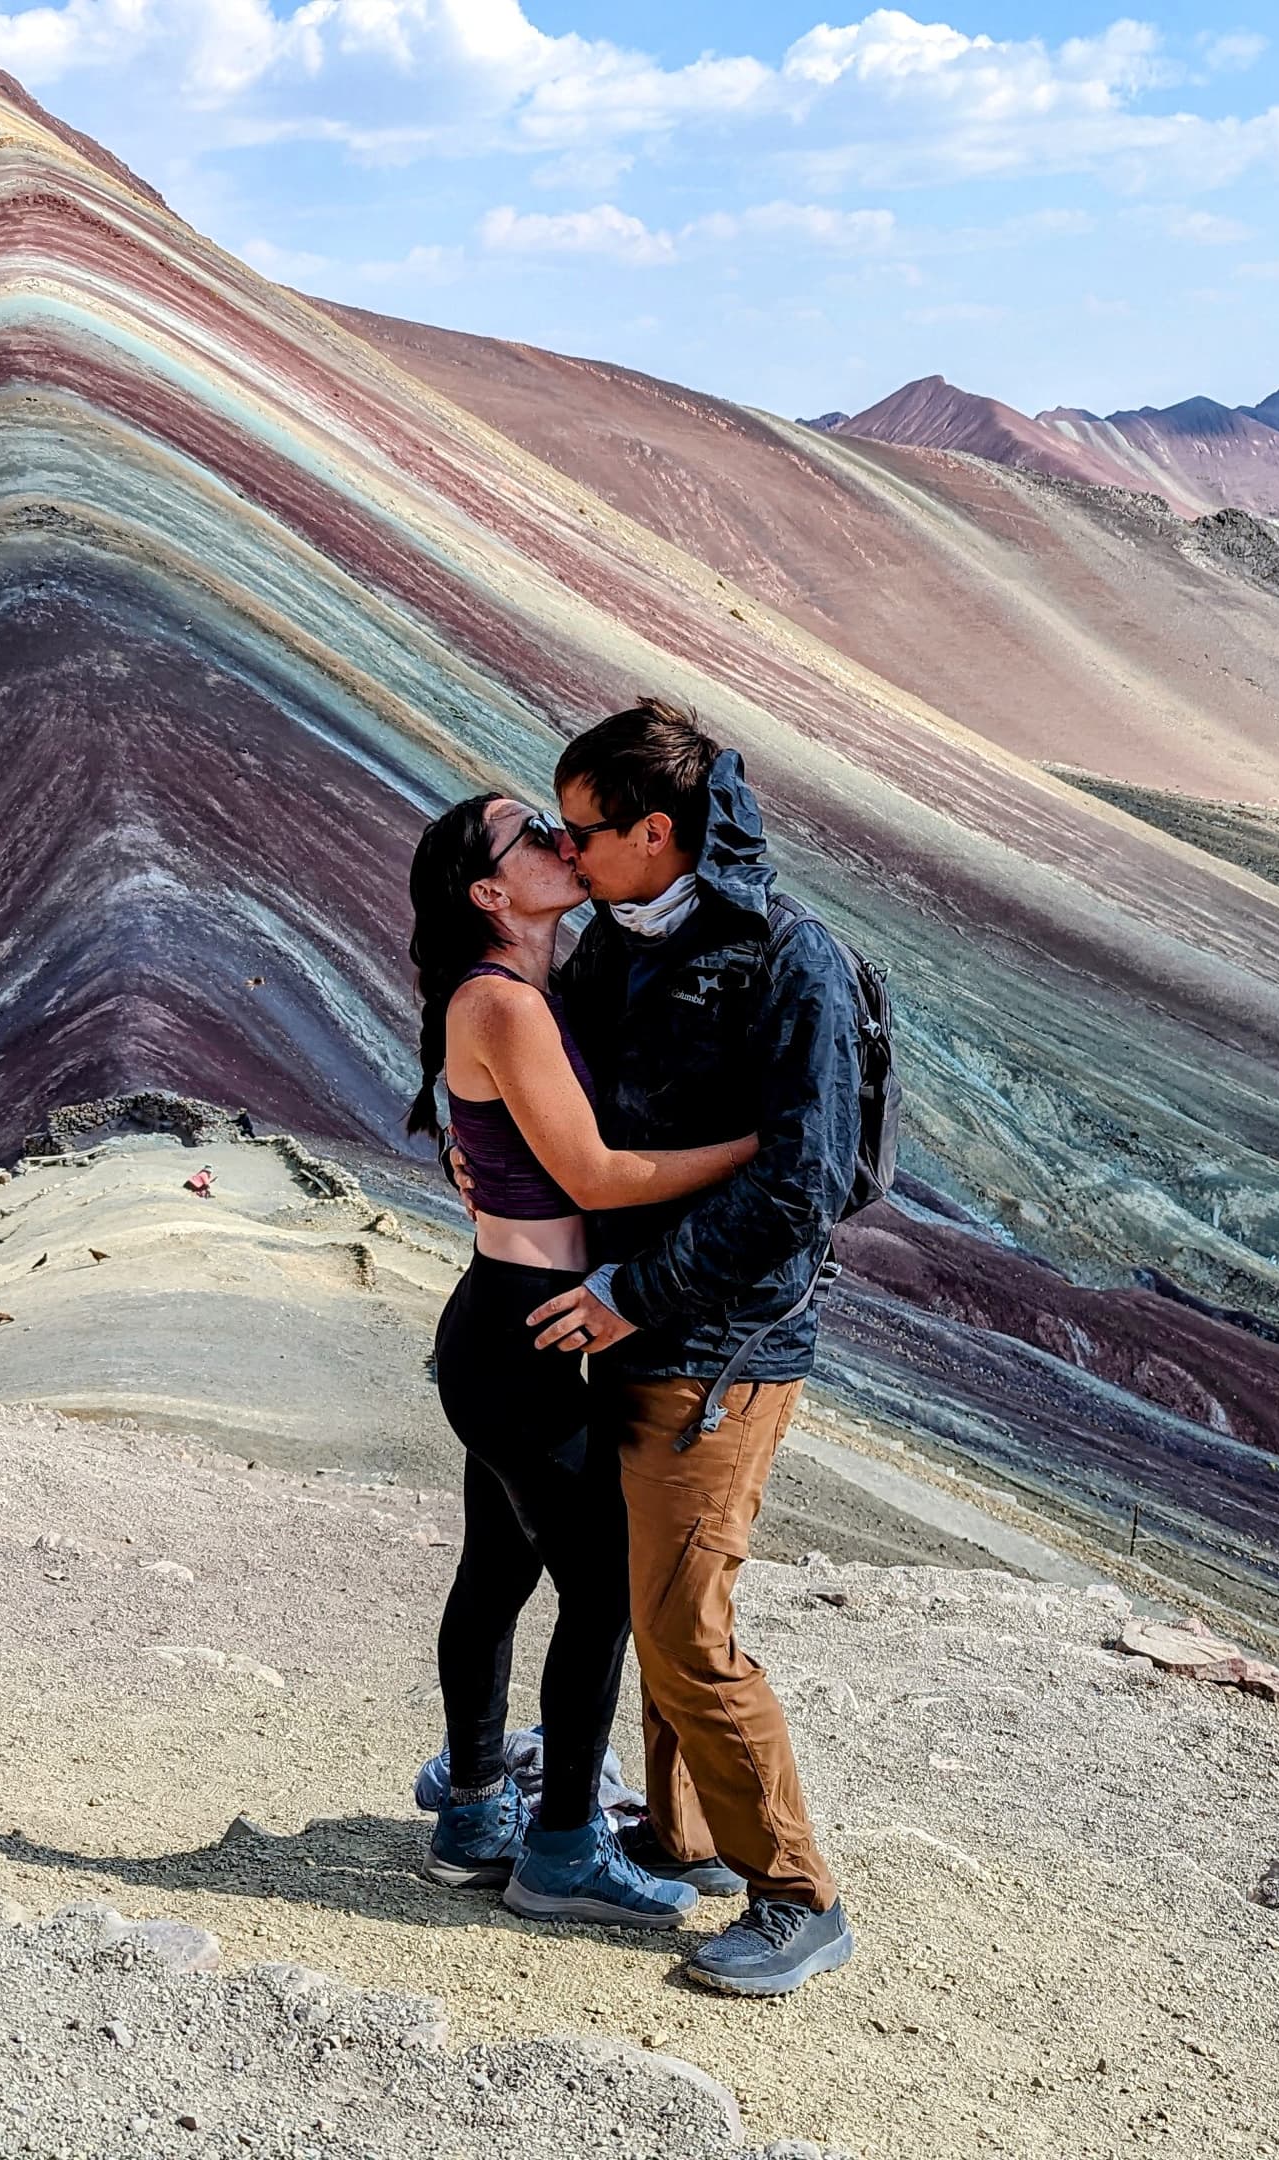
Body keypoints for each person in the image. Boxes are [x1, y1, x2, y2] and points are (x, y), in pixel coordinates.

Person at [526, 698, 870, 1998]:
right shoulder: (615, 946)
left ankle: (797, 1893)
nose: (566, 857)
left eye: (582, 834)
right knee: (657, 1597)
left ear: (657, 832)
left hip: (722, 1347)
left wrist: (636, 1289)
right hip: (629, 1328)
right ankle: (685, 1839)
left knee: (682, 1630)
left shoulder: (795, 963)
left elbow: (802, 1188)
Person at [403, 792, 759, 1929]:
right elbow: (599, 1177)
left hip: (509, 1319)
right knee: (600, 1589)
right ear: (489, 894)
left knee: (501, 1570)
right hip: (527, 1335)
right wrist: (773, 1146)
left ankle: (472, 1811)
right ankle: (560, 1847)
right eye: (530, 839)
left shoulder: (526, 991)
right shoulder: (502, 1003)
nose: (562, 843)